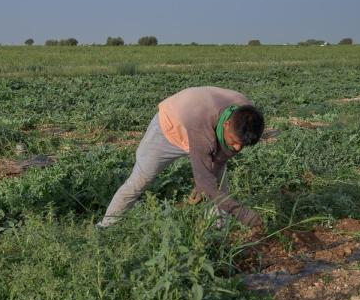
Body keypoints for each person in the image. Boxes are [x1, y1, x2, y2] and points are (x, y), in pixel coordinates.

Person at [96, 86, 264, 228]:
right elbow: (205, 180)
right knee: (140, 179)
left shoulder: (246, 116)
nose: (237, 148)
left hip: (202, 128)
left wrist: (207, 184)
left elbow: (221, 158)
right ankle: (106, 227)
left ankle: (215, 234)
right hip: (169, 129)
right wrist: (242, 213)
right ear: (226, 124)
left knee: (219, 186)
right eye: (234, 142)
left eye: (242, 145)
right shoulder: (201, 121)